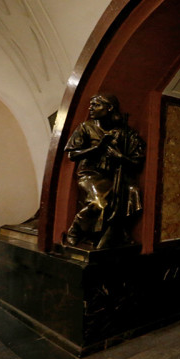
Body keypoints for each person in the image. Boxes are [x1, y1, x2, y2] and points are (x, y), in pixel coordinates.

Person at [64, 93, 145, 249]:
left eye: (96, 105)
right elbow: (72, 154)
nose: (91, 108)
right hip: (90, 173)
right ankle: (75, 230)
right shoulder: (86, 127)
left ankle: (117, 232)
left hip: (113, 175)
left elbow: (137, 161)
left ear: (109, 108)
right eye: (91, 104)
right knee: (99, 202)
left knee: (131, 192)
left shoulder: (125, 132)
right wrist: (97, 148)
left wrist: (121, 157)